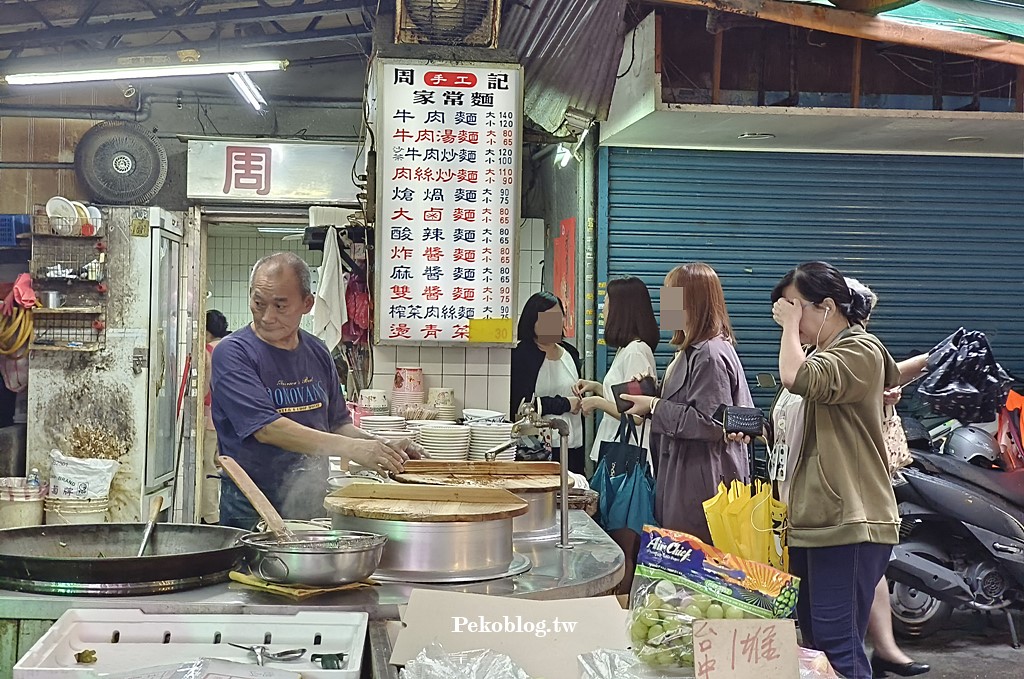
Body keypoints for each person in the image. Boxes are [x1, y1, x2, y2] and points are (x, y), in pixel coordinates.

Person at [211, 252, 423, 529]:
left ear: (307, 303)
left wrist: (382, 447)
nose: (267, 316)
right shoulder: (233, 353)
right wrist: (354, 448)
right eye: (258, 303)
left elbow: (336, 424)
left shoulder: (316, 350)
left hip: (310, 498)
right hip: (250, 503)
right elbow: (267, 428)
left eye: (280, 306)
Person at [764, 261, 901, 679]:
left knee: (837, 643)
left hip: (851, 521)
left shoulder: (859, 350)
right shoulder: (830, 353)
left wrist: (789, 329)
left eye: (793, 308)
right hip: (815, 519)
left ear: (826, 306)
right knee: (817, 645)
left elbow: (794, 376)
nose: (789, 320)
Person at [621, 263, 752, 543]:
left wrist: (654, 405)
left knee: (696, 564)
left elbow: (709, 422)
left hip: (701, 482)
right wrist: (653, 391)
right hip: (682, 476)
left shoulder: (710, 354)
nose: (663, 305)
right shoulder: (689, 351)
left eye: (672, 297)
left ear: (693, 302)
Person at [843, 278, 931, 678]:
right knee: (861, 571)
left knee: (869, 565)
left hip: (862, 477)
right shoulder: (826, 354)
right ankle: (874, 652)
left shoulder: (857, 348)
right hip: (841, 483)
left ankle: (880, 650)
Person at [575, 276, 659, 467]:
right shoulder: (626, 349)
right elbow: (623, 399)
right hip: (617, 451)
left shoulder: (635, 352)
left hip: (627, 458)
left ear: (621, 310)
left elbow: (636, 415)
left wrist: (597, 403)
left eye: (606, 303)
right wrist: (596, 387)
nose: (603, 310)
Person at [510, 291, 584, 474]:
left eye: (558, 317)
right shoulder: (522, 355)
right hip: (536, 448)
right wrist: (565, 403)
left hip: (572, 443)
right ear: (532, 322)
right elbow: (520, 404)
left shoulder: (570, 353)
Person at [200, 310, 230, 524]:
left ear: (207, 331)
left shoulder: (207, 351)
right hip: (230, 420)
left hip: (210, 417)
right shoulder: (232, 349)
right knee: (222, 465)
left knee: (208, 466)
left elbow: (203, 390)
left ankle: (210, 516)